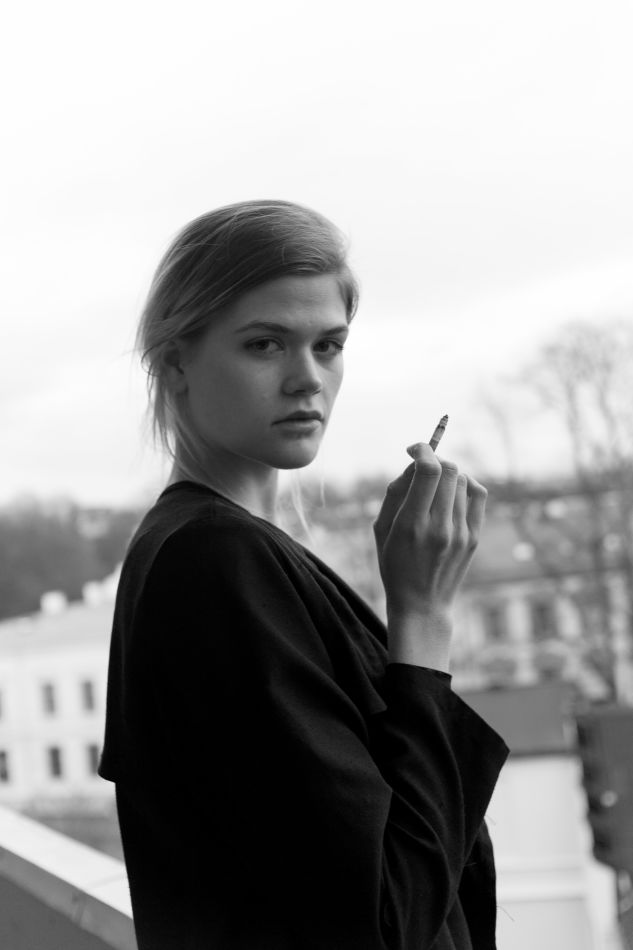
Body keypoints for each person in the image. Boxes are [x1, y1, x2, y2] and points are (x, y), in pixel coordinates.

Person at [98, 199, 509, 950]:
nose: (306, 380)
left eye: (329, 345)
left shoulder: (212, 546)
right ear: (176, 361)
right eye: (264, 344)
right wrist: (422, 613)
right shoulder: (213, 560)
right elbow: (386, 921)